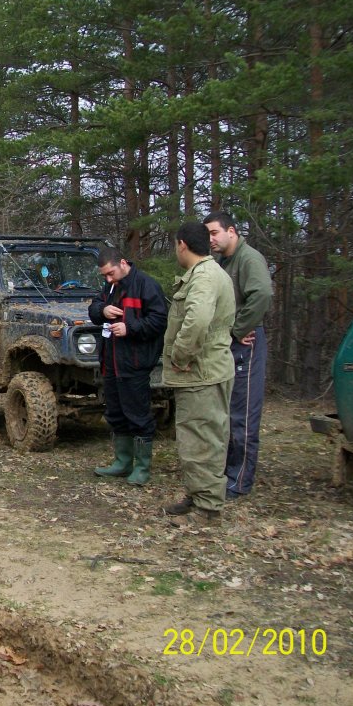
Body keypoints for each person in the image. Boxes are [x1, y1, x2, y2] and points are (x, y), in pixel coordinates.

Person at [162, 222, 236, 527]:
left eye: (175, 246)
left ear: (182, 244)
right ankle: (198, 495)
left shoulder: (204, 276)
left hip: (201, 372)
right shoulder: (210, 273)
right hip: (205, 370)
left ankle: (207, 510)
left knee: (202, 440)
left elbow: (198, 320)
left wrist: (181, 355)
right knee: (198, 437)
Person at [203, 212, 273, 499]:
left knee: (243, 414)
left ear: (231, 231)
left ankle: (239, 481)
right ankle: (226, 472)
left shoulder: (249, 258)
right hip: (228, 344)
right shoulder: (224, 262)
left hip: (246, 343)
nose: (210, 240)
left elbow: (262, 294)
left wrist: (238, 329)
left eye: (214, 233)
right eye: (207, 235)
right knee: (227, 412)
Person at [88, 247, 168, 485]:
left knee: (138, 415)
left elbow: (159, 321)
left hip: (135, 363)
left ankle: (142, 467)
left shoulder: (146, 285)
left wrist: (129, 327)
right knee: (115, 413)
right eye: (104, 275)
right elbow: (93, 309)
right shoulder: (110, 287)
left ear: (123, 263)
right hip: (111, 362)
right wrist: (102, 310)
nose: (108, 279)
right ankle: (122, 462)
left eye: (110, 273)